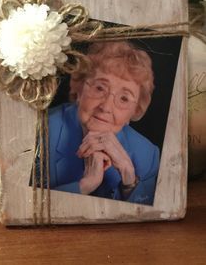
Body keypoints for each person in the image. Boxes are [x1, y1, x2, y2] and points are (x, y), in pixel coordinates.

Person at [40, 41, 160, 205]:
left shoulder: (148, 155)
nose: (106, 107)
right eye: (99, 88)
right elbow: (29, 205)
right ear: (79, 87)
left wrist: (130, 180)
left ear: (135, 110)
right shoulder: (40, 133)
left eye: (124, 98)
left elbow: (148, 216)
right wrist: (84, 185)